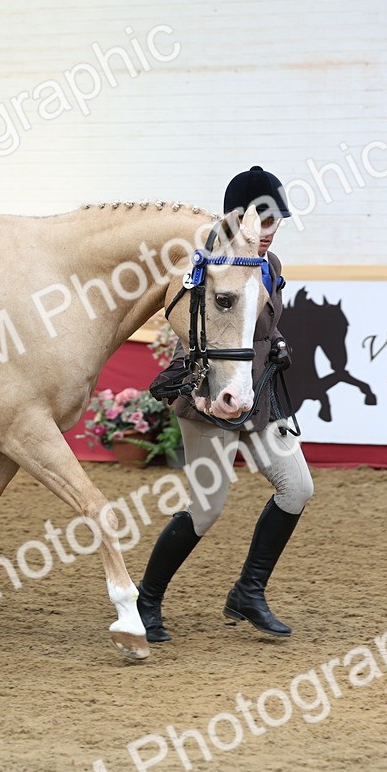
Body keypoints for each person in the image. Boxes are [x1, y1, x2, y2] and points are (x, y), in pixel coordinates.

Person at [136, 166, 314, 642]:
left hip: (259, 394)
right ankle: (146, 600)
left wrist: (276, 342)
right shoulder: (207, 262)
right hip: (210, 395)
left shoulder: (270, 265)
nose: (269, 232)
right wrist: (194, 376)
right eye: (262, 221)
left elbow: (254, 325)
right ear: (237, 218)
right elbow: (193, 327)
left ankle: (248, 593)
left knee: (297, 488)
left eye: (276, 222)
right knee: (206, 509)